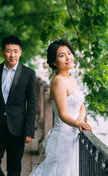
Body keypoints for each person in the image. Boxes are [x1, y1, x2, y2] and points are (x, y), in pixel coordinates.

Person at [30, 39, 92, 176]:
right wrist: (78, 123)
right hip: (62, 138)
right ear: (54, 62)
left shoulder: (73, 80)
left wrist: (81, 121)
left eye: (69, 53)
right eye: (61, 55)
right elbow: (63, 115)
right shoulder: (58, 82)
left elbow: (82, 107)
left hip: (74, 136)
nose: (68, 57)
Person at [0, 35, 37, 176]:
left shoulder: (29, 74)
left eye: (16, 51)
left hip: (17, 128)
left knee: (14, 168)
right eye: (9, 51)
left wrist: (29, 130)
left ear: (20, 52)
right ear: (2, 52)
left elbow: (32, 103)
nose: (12, 55)